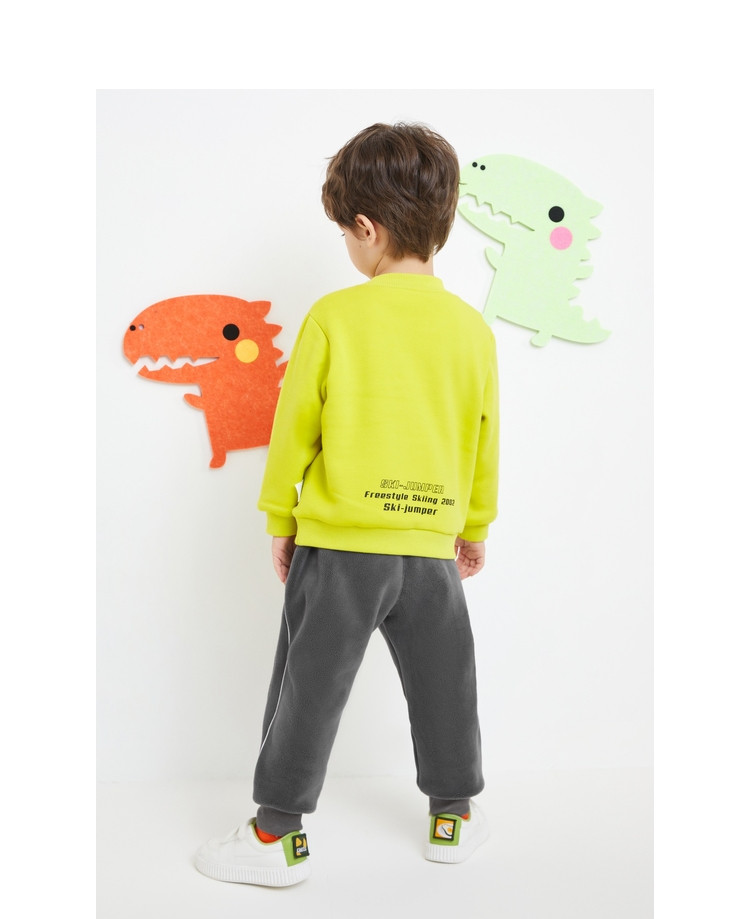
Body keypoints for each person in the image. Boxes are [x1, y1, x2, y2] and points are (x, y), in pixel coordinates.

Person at [195, 122, 500, 887]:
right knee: (446, 682)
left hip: (340, 550)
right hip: (429, 550)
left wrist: (281, 518)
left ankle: (275, 835)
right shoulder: (472, 330)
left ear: (367, 228)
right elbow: (482, 438)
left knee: (308, 686)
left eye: (344, 231)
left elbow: (294, 427)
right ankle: (453, 815)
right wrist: (473, 527)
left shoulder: (334, 316)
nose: (346, 245)